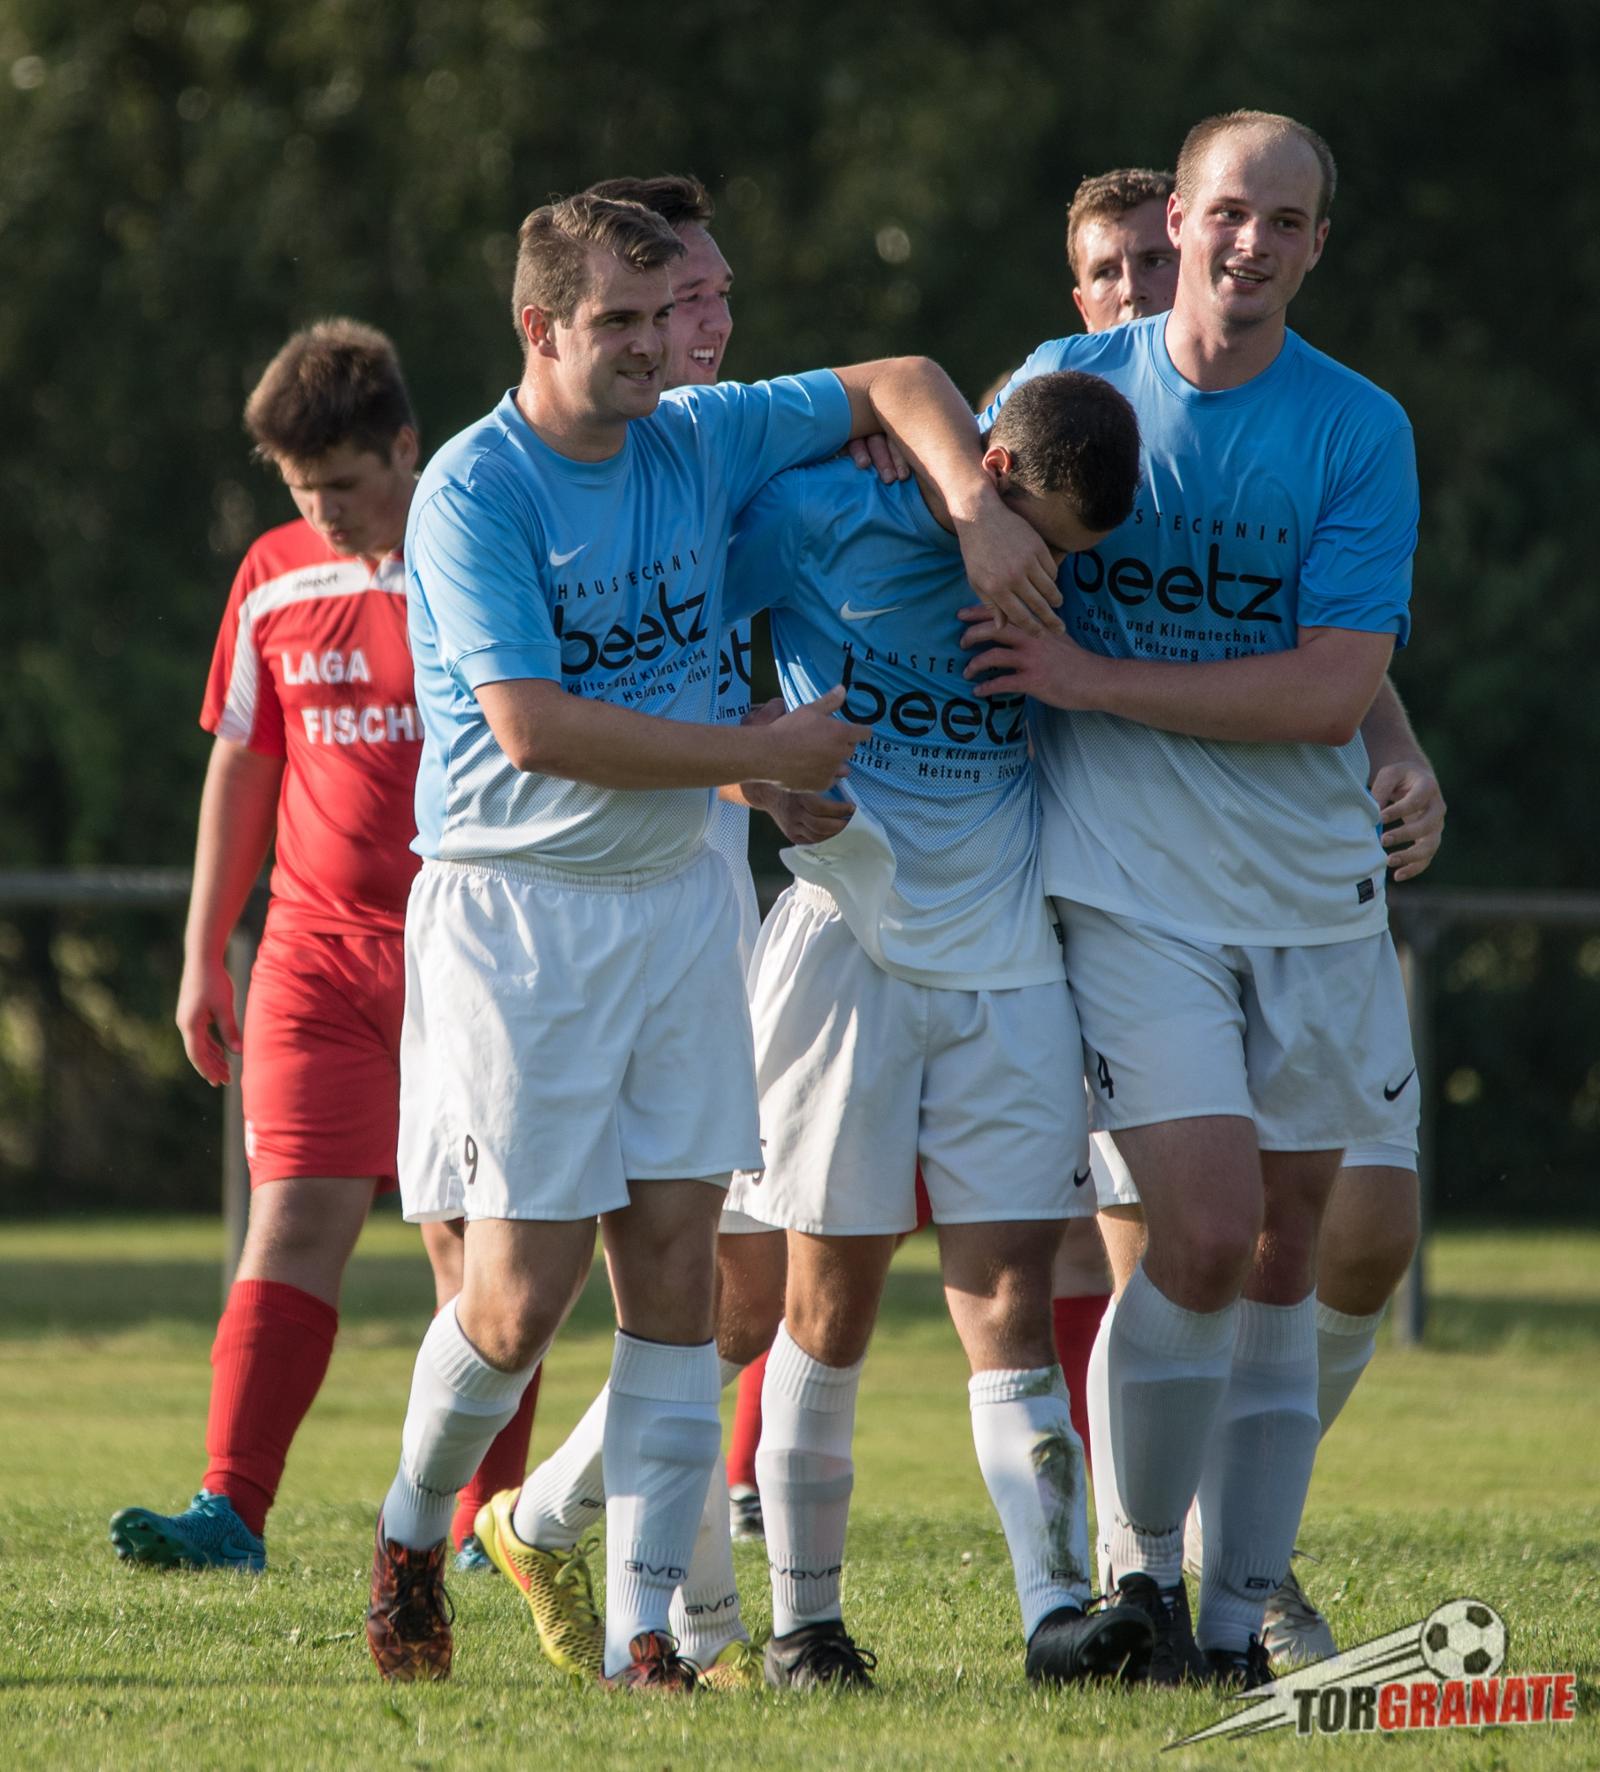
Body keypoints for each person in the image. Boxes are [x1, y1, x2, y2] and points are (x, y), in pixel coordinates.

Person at [365, 189, 1067, 1689]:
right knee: (517, 1302)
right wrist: (762, 759)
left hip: (682, 902)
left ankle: (648, 1636)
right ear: (538, 326)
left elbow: (898, 379)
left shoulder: (695, 435)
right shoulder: (476, 489)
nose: (649, 345)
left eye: (661, 313)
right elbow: (532, 727)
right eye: (615, 320)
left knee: (682, 1276)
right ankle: (414, 1530)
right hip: (521, 917)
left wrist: (973, 502)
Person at [967, 111, 1422, 1689]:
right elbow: (940, 502)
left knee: (1290, 1254)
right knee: (1207, 1230)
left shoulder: (1358, 427)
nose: (1252, 245)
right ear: (1179, 215)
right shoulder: (1068, 387)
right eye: (1231, 211)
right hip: (1125, 889)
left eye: (1286, 223)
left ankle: (1234, 1624)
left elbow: (1331, 688)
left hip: (1312, 894)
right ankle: (1139, 1577)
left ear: (1315, 245)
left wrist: (1091, 675)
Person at [720, 369, 1152, 1691]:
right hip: (845, 950)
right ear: (996, 480)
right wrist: (757, 779)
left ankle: (1055, 1614)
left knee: (1013, 1291)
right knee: (827, 1297)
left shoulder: (1071, 560)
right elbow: (662, 680)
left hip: (1009, 960)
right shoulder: (816, 514)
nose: (1054, 577)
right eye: (1046, 546)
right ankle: (805, 1624)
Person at [108, 322, 535, 1573]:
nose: (324, 513)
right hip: (310, 956)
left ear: (406, 446)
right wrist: (206, 948)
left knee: (471, 1242)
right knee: (289, 1222)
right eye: (303, 491)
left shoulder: (482, 549)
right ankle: (229, 1509)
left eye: (343, 484)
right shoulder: (272, 575)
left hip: (470, 952)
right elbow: (245, 760)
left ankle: (484, 1524)